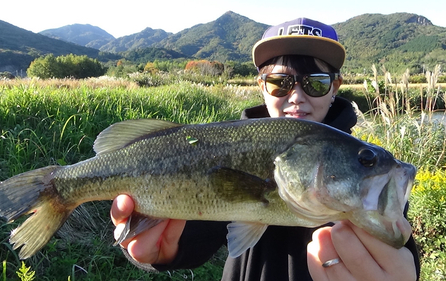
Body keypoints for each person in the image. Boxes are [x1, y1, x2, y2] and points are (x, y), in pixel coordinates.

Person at [110, 18, 420, 280]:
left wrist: (403, 267)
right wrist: (164, 251)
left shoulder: (366, 171)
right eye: (279, 83)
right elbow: (200, 230)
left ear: (335, 88)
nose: (297, 96)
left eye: (316, 83)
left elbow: (397, 244)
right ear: (261, 87)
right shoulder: (229, 149)